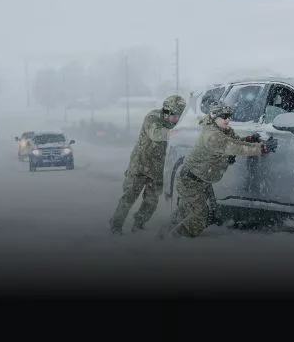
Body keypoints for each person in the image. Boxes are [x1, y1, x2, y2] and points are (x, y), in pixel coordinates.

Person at [159, 101, 277, 239]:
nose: (228, 119)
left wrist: (251, 139)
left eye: (229, 116)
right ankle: (173, 241)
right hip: (191, 181)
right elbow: (235, 147)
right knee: (200, 218)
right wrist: (261, 148)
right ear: (215, 117)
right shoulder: (213, 136)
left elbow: (235, 142)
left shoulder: (223, 130)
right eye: (224, 116)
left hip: (200, 180)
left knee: (186, 210)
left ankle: (162, 235)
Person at [109, 94, 187, 235]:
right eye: (174, 115)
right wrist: (170, 133)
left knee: (151, 202)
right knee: (129, 198)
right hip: (140, 165)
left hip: (158, 169)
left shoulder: (176, 122)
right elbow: (155, 133)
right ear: (167, 111)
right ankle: (116, 225)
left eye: (179, 116)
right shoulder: (152, 117)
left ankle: (139, 223)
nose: (176, 119)